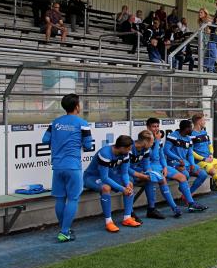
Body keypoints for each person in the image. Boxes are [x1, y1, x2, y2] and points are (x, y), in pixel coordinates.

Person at [41, 93, 93, 242]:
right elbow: (88, 145)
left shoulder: (55, 122)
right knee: (72, 199)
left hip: (57, 167)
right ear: (77, 106)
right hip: (73, 167)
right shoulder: (82, 123)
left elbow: (45, 140)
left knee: (60, 199)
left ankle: (64, 229)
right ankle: (64, 232)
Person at [145, 118, 205, 213]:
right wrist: (156, 141)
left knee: (182, 177)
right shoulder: (146, 140)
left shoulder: (159, 140)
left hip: (161, 166)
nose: (156, 129)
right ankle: (174, 207)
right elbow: (154, 156)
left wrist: (164, 167)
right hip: (150, 167)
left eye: (157, 126)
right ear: (148, 127)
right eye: (153, 127)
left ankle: (191, 203)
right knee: (166, 178)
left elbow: (161, 156)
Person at [84, 135, 142, 232]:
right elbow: (104, 178)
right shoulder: (105, 153)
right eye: (128, 149)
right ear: (122, 148)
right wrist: (122, 189)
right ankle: (108, 222)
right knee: (106, 188)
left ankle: (127, 218)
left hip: (108, 177)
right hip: (92, 177)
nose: (130, 151)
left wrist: (126, 184)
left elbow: (124, 173)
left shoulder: (125, 154)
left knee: (130, 184)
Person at [129, 130, 182, 219]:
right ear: (146, 141)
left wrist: (149, 173)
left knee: (152, 178)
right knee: (129, 183)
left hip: (138, 170)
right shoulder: (130, 149)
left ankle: (152, 209)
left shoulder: (145, 149)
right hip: (124, 173)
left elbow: (146, 166)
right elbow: (124, 168)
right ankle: (129, 213)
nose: (152, 143)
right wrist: (140, 174)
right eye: (152, 142)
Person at [163, 120, 209, 211]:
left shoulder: (189, 139)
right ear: (186, 128)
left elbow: (190, 154)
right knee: (185, 175)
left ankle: (186, 195)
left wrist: (192, 164)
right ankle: (190, 201)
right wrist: (178, 159)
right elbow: (166, 151)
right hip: (173, 163)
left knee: (203, 174)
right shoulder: (173, 136)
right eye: (190, 127)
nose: (192, 129)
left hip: (186, 163)